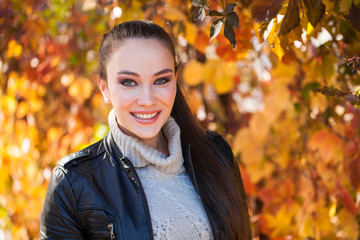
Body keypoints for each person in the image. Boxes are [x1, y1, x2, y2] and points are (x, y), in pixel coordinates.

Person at [40, 20, 251, 240]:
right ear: (104, 88)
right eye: (129, 82)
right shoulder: (74, 183)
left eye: (161, 80)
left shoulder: (217, 155)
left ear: (175, 80)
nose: (148, 100)